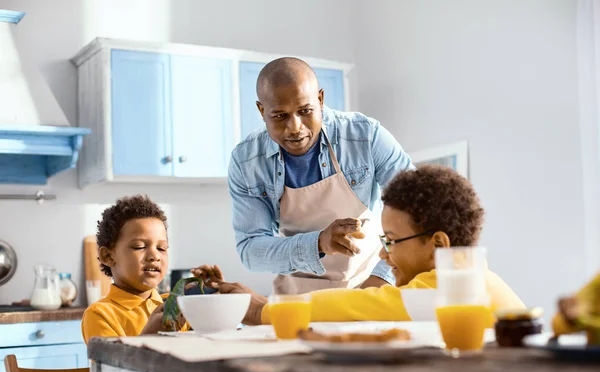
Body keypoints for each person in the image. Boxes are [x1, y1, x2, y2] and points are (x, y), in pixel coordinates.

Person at [203, 165, 525, 324]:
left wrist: (262, 310)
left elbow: (361, 306)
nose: (384, 253)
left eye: (393, 241)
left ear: (438, 245)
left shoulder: (449, 290)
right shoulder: (482, 278)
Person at [228, 57, 414, 294]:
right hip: (298, 298)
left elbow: (417, 214)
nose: (295, 127)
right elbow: (250, 249)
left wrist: (383, 278)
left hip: (370, 286)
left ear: (321, 99)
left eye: (305, 111)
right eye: (279, 116)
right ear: (262, 110)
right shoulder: (246, 162)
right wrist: (318, 243)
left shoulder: (366, 136)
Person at [81, 195, 189, 343]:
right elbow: (113, 365)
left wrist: (227, 303)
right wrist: (149, 337)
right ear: (108, 256)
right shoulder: (100, 314)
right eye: (139, 246)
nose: (154, 255)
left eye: (161, 248)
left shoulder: (176, 305)